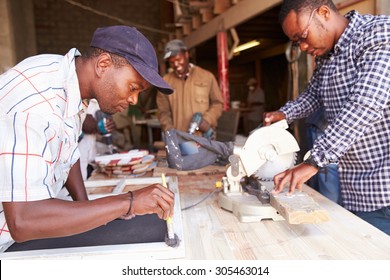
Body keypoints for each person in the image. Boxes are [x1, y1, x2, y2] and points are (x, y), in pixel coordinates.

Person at [0, 25, 175, 249]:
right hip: (10, 237)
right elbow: (23, 220)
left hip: (24, 222)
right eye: (133, 87)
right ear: (103, 65)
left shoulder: (68, 78)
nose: (134, 101)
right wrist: (127, 202)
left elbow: (66, 151)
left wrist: (89, 209)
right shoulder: (35, 106)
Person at [264, 0, 390, 234]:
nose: (302, 47)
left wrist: (313, 161)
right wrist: (285, 114)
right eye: (296, 42)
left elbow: (365, 105)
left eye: (302, 36)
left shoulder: (379, 34)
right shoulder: (326, 55)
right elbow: (315, 94)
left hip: (384, 190)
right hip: (355, 187)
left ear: (323, 13)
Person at [156, 39, 224, 139]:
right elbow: (163, 111)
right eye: (171, 62)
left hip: (204, 138)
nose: (176, 65)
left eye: (178, 60)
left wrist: (207, 120)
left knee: (206, 155)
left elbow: (218, 103)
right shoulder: (165, 82)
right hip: (180, 139)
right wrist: (169, 130)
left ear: (186, 55)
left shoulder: (207, 76)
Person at [305, 107, 341, 205]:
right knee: (325, 169)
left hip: (324, 127)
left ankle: (331, 209)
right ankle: (329, 209)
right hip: (320, 126)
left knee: (327, 168)